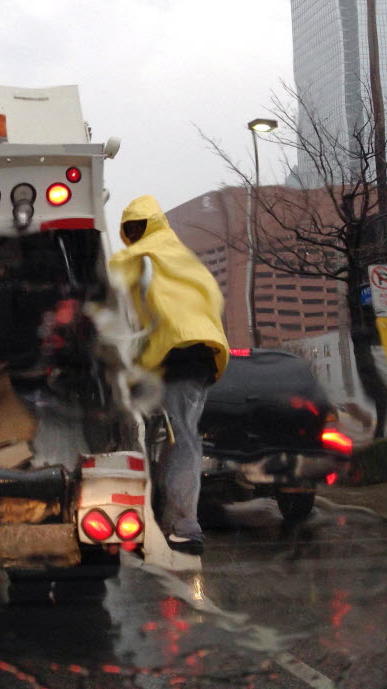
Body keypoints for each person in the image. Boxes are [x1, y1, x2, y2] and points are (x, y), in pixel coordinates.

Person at [109, 195, 229, 556]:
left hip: (167, 358)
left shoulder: (133, 258)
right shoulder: (184, 258)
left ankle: (172, 522)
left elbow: (114, 306)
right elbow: (212, 302)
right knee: (184, 438)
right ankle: (177, 522)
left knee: (141, 437)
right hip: (202, 358)